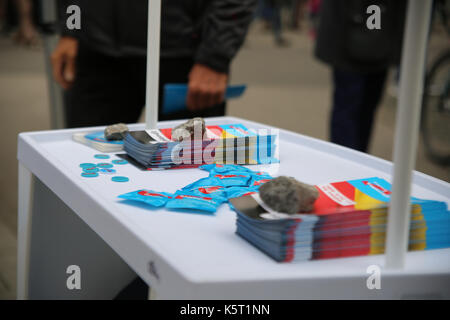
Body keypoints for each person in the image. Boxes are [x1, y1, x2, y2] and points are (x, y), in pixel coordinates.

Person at [52, 0, 257, 128]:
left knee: (186, 177)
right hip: (97, 52)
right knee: (85, 169)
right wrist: (71, 30)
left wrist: (215, 56)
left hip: (185, 59)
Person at [314, 0, 406, 152]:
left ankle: (357, 157)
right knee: (348, 110)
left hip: (380, 40)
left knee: (365, 109)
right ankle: (346, 162)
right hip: (353, 38)